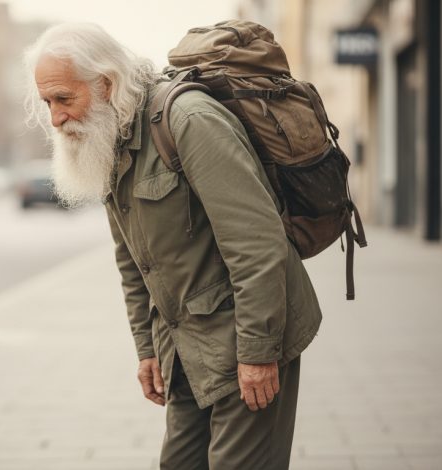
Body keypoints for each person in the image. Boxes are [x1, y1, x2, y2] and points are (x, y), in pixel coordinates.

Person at [24, 23, 322, 469]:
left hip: (248, 336)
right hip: (185, 349)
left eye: (65, 99)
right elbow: (132, 260)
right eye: (48, 102)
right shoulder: (112, 139)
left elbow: (258, 245)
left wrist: (259, 354)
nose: (55, 118)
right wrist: (147, 349)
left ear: (106, 83)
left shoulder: (189, 121)